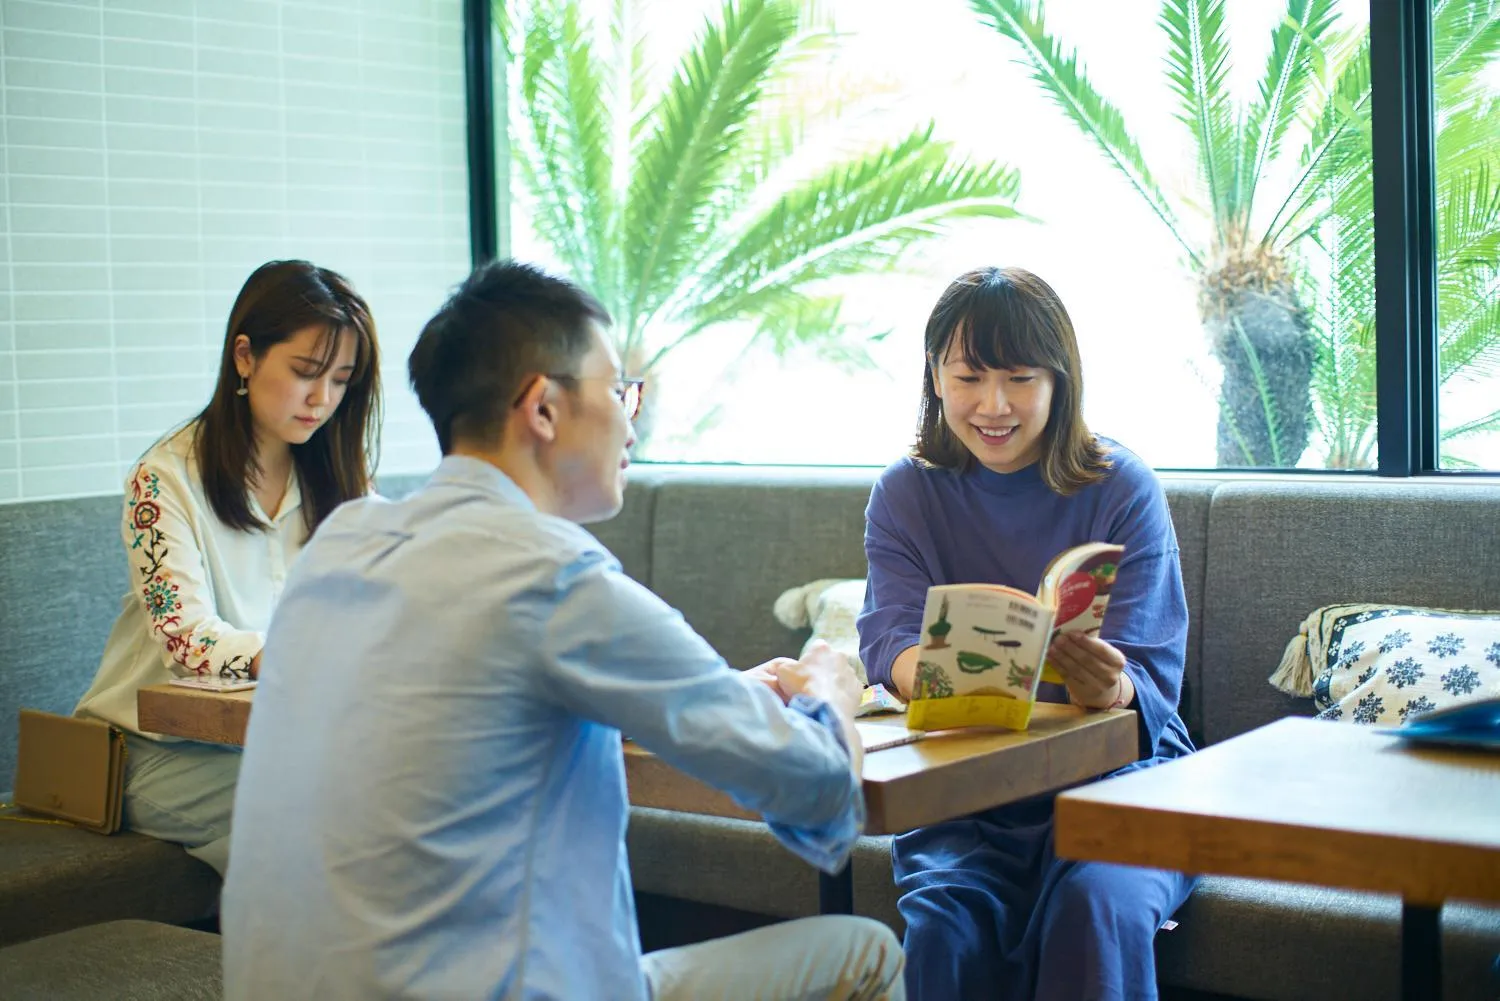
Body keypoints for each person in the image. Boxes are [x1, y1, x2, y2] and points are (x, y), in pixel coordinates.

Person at [221, 260, 906, 1001]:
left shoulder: (342, 541)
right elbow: (819, 793)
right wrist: (833, 690)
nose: (630, 416)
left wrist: (706, 693)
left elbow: (470, 720)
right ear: (542, 407)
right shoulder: (552, 576)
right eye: (617, 389)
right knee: (865, 951)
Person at [857, 267, 1197, 1000]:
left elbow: (1149, 681)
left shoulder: (1121, 486)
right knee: (945, 922)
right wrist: (954, 668)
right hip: (963, 793)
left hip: (1122, 782)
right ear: (935, 376)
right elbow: (888, 646)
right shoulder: (906, 493)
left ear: (1059, 380)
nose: (994, 404)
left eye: (1020, 377)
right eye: (970, 376)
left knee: (1095, 905)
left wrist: (1106, 684)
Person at [74, 260, 382, 875]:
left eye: (342, 380)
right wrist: (299, 653)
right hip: (148, 750)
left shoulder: (339, 483)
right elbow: (186, 641)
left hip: (267, 741)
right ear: (245, 357)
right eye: (304, 373)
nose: (322, 399)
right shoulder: (163, 481)